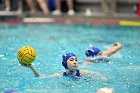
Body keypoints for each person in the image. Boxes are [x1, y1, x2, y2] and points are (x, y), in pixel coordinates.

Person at [21, 53, 104, 78]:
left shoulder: (84, 72)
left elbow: (101, 77)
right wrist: (32, 67)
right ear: (65, 64)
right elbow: (41, 77)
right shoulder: (61, 75)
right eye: (71, 60)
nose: (75, 62)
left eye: (76, 60)